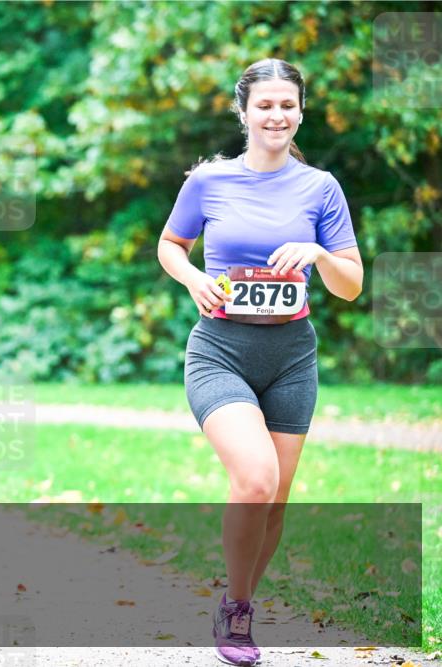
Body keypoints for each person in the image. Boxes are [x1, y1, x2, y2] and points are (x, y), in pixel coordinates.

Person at [157, 59, 362, 666]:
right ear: (243, 111)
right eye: (265, 105)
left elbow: (350, 285)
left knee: (276, 498)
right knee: (255, 479)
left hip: (292, 357)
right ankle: (239, 613)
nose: (277, 115)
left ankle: (236, 597)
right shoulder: (209, 181)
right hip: (221, 349)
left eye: (288, 105)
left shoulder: (321, 187)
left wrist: (321, 253)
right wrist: (194, 278)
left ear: (301, 111)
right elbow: (171, 245)